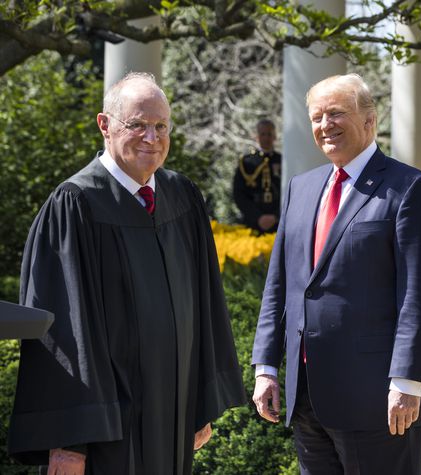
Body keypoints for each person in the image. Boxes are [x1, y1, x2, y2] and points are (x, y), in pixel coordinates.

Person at [8, 72, 246, 474]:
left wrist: (201, 402)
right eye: (136, 125)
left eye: (160, 126)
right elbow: (63, 334)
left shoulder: (181, 197)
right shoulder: (75, 206)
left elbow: (207, 303)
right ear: (105, 125)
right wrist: (70, 442)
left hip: (173, 415)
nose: (151, 137)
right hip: (108, 430)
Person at [251, 74, 421, 474]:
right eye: (317, 117)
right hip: (306, 396)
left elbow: (419, 296)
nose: (326, 125)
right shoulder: (300, 189)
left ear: (370, 120)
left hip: (378, 399)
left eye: (337, 113)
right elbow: (280, 286)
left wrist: (408, 382)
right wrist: (266, 367)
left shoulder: (409, 188)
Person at [233, 119, 282, 233]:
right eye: (262, 134)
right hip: (252, 222)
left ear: (274, 136)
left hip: (278, 221)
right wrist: (257, 217)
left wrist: (276, 216)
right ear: (256, 136)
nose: (266, 138)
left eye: (269, 134)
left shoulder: (282, 161)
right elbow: (238, 194)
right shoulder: (246, 162)